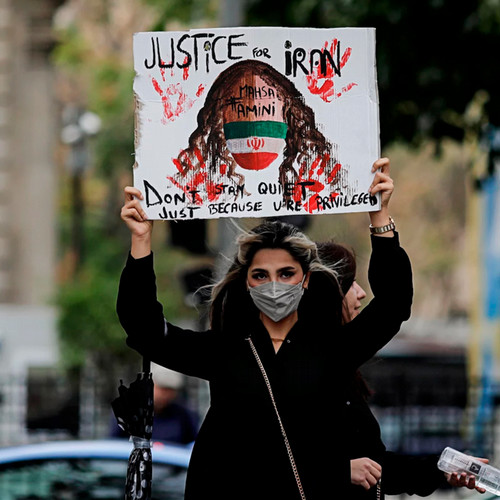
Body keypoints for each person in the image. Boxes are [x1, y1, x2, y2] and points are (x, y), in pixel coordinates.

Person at [117, 157, 412, 500]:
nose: (274, 285)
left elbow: (393, 305)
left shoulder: (332, 349)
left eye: (286, 274)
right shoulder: (225, 351)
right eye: (261, 275)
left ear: (305, 282)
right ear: (247, 284)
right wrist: (141, 241)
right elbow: (144, 330)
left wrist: (379, 217)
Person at [317, 240, 487, 498]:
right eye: (349, 283)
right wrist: (339, 470)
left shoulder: (341, 367)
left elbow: (375, 470)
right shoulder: (306, 367)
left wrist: (441, 469)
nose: (361, 292)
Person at [110, 363, 199, 445]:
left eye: (170, 390)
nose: (165, 395)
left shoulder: (183, 416)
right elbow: (114, 445)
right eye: (161, 388)